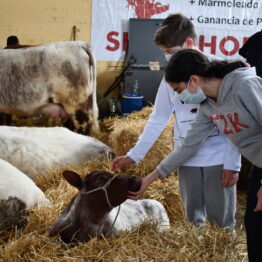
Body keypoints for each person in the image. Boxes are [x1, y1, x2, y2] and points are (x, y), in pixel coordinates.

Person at [128, 48, 262, 262]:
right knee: (254, 227)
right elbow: (187, 148)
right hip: (259, 164)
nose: (180, 97)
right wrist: (148, 180)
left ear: (193, 80)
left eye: (179, 90)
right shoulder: (208, 107)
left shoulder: (245, 85)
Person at [112, 13, 241, 229]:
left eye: (170, 52)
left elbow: (235, 122)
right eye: (164, 54)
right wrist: (135, 154)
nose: (167, 58)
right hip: (185, 158)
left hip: (218, 157)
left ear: (188, 43)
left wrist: (232, 163)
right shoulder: (171, 77)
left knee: (222, 221)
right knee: (193, 219)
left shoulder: (219, 72)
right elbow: (159, 117)